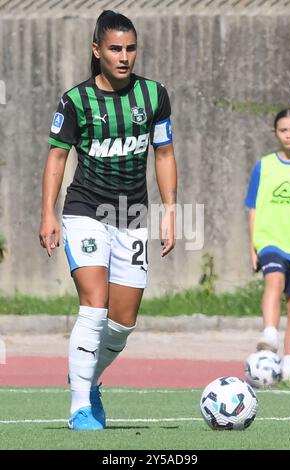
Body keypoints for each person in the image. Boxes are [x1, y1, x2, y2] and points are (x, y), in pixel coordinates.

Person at [39, 10, 177, 430]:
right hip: (85, 210)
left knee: (121, 324)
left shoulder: (154, 95)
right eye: (115, 48)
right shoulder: (75, 100)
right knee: (94, 308)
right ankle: (80, 406)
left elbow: (165, 154)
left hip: (133, 215)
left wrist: (170, 210)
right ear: (96, 50)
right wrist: (48, 212)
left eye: (130, 48)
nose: (124, 56)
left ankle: (87, 376)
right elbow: (57, 157)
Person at [245, 108, 290, 385]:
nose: (289, 135)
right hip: (270, 241)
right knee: (274, 280)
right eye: (284, 130)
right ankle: (269, 333)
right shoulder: (264, 166)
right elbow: (252, 208)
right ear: (275, 133)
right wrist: (253, 247)